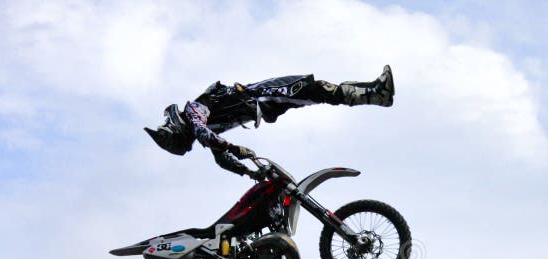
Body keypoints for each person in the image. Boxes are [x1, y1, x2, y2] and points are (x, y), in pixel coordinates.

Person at [144, 66, 395, 180]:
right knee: (316, 90)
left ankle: (374, 93)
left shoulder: (193, 112)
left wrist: (235, 151)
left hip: (260, 99)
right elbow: (220, 155)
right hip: (261, 98)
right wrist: (250, 173)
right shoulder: (204, 126)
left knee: (316, 92)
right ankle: (376, 94)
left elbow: (209, 140)